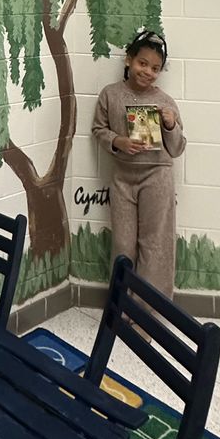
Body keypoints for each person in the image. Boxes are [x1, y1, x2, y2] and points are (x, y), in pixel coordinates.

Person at [92, 30, 185, 299]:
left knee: (155, 244)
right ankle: (120, 306)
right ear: (128, 61)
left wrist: (170, 125)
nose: (148, 72)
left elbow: (178, 148)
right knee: (123, 244)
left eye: (155, 68)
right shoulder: (110, 95)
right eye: (142, 63)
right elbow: (99, 129)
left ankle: (149, 311)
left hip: (157, 176)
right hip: (123, 176)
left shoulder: (165, 102)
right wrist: (118, 141)